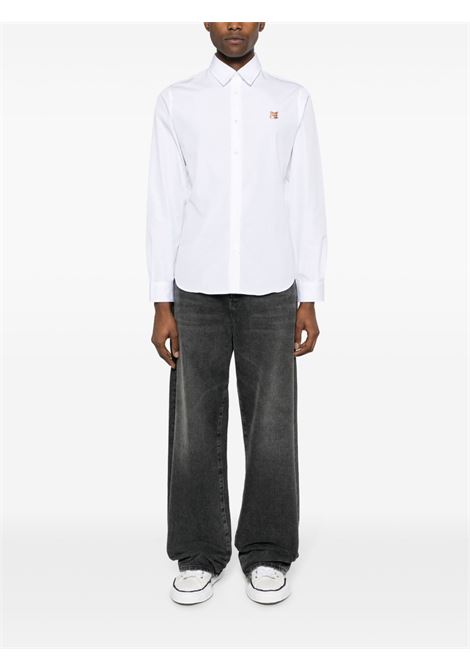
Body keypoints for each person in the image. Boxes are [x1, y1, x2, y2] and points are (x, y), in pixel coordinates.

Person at [146, 22, 327, 605]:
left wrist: (309, 294)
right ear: (205, 21)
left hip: (272, 288)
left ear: (261, 22)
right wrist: (161, 300)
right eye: (223, 14)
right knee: (194, 427)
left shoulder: (290, 99)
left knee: (272, 425)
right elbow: (163, 201)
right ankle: (199, 552)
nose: (233, 24)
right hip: (195, 287)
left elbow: (306, 197)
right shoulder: (177, 101)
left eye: (245, 14)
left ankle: (268, 550)